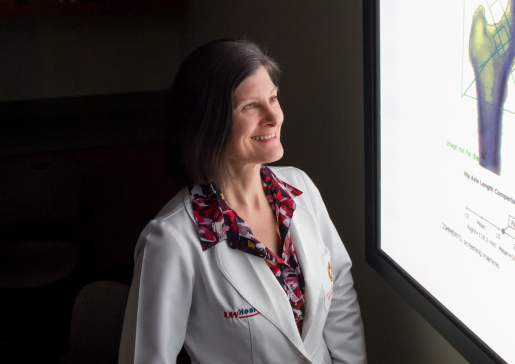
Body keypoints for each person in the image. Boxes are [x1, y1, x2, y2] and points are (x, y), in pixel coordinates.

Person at [119, 39, 367, 364]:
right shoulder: (171, 240)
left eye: (273, 98)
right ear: (208, 122)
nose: (273, 116)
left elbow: (340, 296)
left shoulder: (300, 187)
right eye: (250, 106)